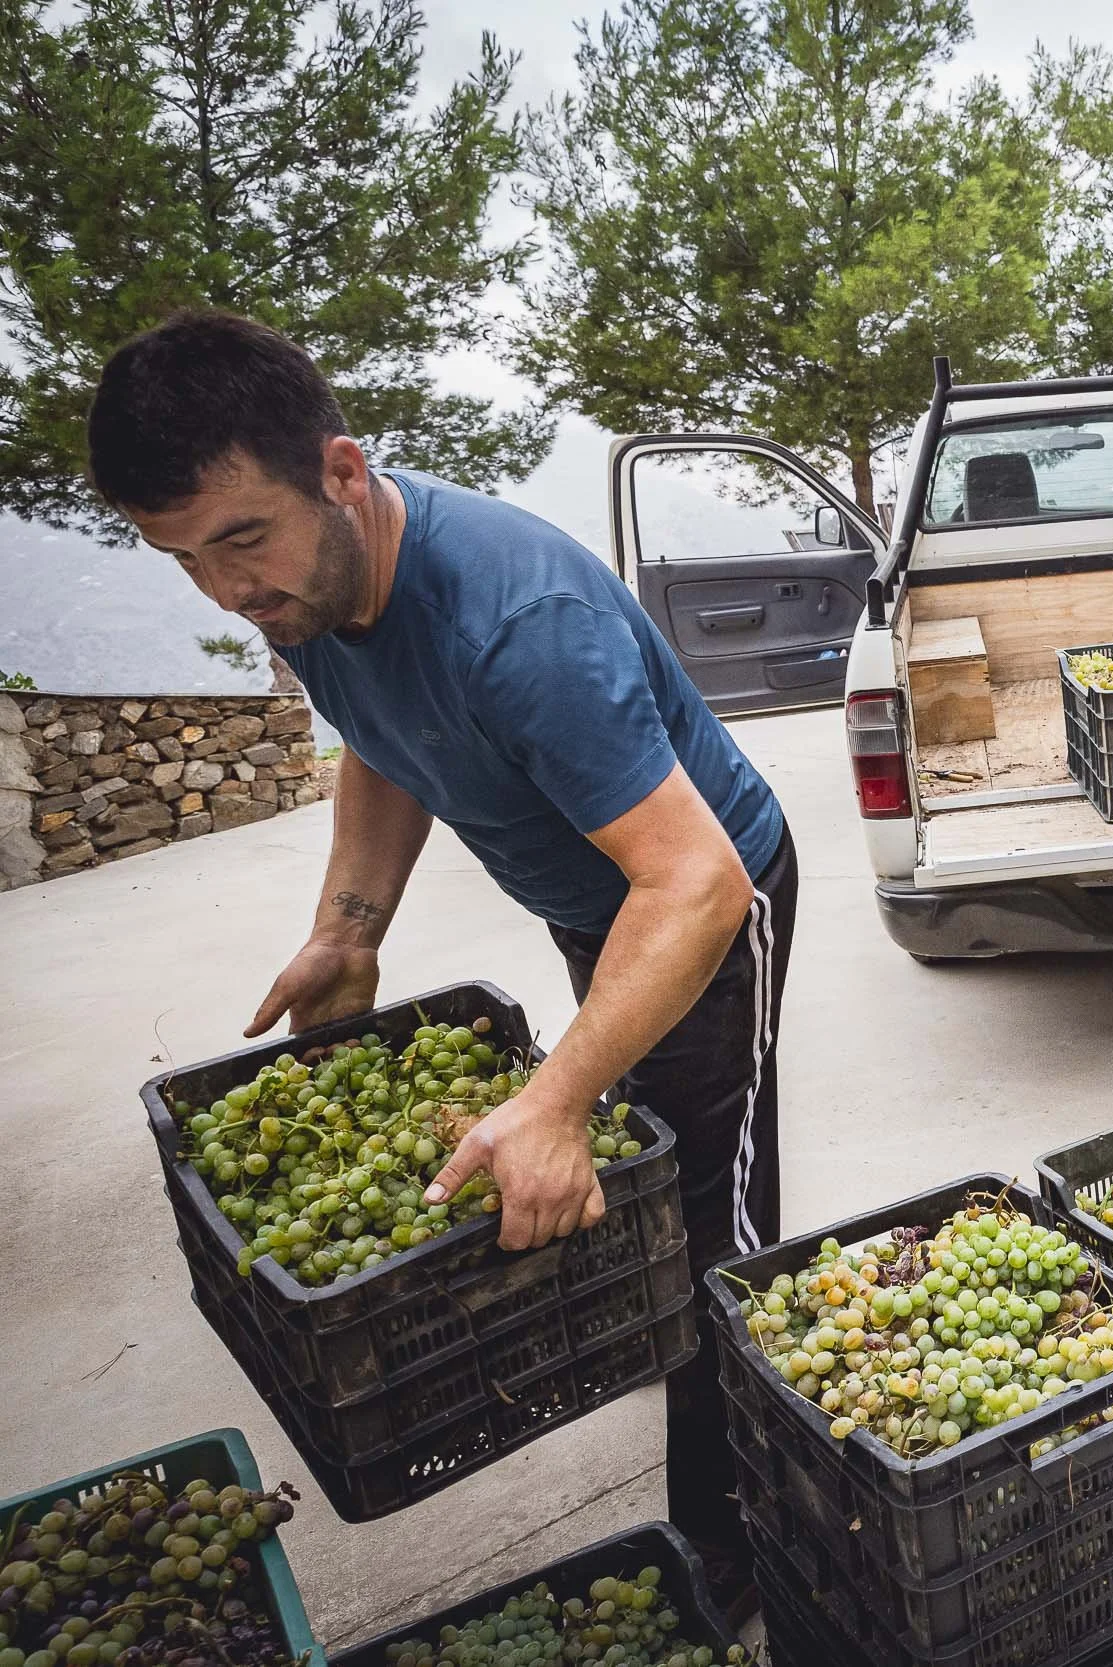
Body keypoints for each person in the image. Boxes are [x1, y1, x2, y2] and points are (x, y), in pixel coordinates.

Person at [85, 312, 796, 1600]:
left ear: (342, 472)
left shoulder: (520, 623)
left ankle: (741, 1549)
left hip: (702, 897)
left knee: (712, 1224)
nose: (228, 590)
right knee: (621, 1159)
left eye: (242, 537)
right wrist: (345, 931)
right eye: (182, 558)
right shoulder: (310, 586)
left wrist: (555, 1098)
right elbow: (381, 733)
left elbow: (692, 885)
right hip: (602, 902)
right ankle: (672, 1338)